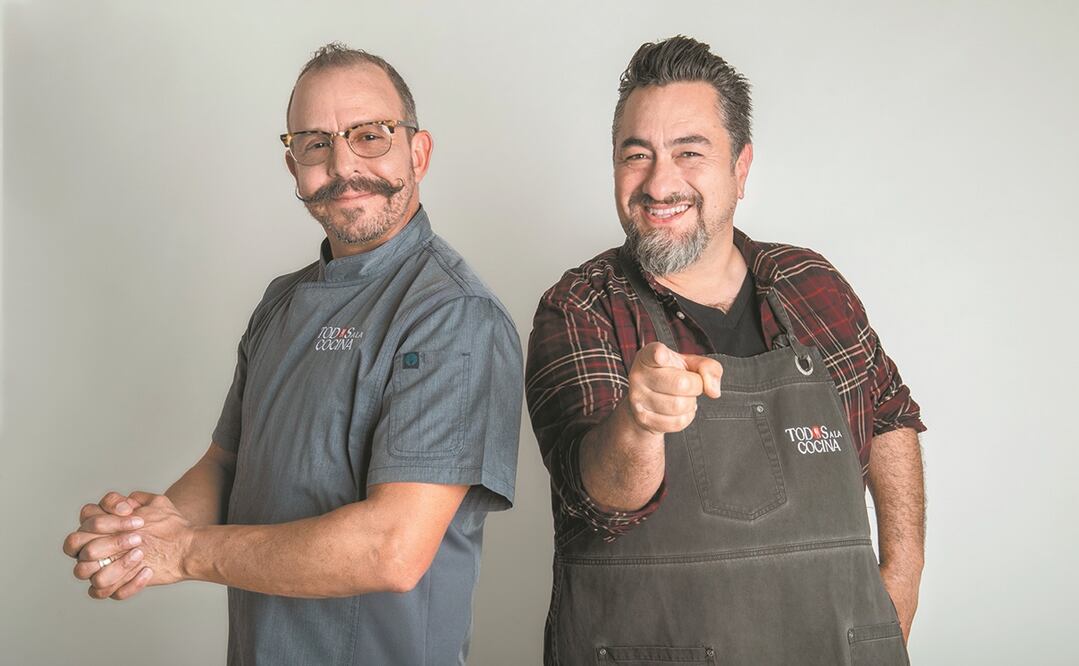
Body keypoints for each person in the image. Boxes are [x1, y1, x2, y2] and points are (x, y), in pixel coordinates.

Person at [61, 43, 523, 666]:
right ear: (293, 165)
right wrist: (143, 535)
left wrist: (187, 551)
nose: (342, 164)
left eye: (370, 136)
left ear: (418, 152)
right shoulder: (282, 302)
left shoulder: (452, 316)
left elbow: (391, 548)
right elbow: (226, 465)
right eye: (315, 143)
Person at [526, 35, 925, 665]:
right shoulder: (581, 307)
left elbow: (890, 413)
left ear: (740, 167)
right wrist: (639, 423)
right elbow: (598, 501)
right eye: (637, 155)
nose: (661, 183)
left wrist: (900, 581)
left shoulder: (812, 283)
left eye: (690, 152)